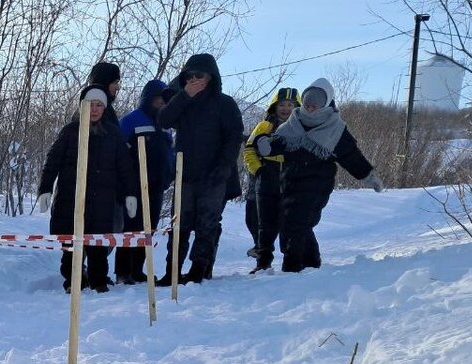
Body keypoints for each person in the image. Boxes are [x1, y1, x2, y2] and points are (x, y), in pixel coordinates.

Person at [254, 78, 383, 272]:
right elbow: (276, 143)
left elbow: (351, 156)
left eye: (316, 104)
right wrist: (264, 145)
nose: (311, 108)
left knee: (297, 223)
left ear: (325, 103)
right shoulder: (293, 122)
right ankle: (312, 263)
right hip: (290, 183)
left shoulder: (335, 128)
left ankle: (292, 267)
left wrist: (368, 176)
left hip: (318, 185)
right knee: (297, 224)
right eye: (308, 103)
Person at [37, 85, 139, 293]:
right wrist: (45, 189)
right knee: (71, 245)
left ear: (104, 108)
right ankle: (73, 281)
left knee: (98, 245)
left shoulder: (113, 134)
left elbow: (125, 167)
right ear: (83, 106)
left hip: (102, 201)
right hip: (70, 199)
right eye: (90, 104)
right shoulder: (69, 132)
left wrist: (131, 193)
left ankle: (98, 281)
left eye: (99, 105)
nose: (94, 109)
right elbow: (52, 161)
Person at [155, 54, 243, 285]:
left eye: (199, 75)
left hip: (214, 175)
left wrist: (222, 169)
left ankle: (199, 269)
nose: (194, 80)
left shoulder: (225, 103)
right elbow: (163, 120)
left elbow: (234, 138)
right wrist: (184, 95)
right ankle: (172, 271)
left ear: (211, 77)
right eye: (189, 76)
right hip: (186, 174)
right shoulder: (183, 101)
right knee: (179, 225)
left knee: (207, 224)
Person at [116, 79, 175, 285]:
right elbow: (118, 152)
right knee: (130, 228)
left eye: (164, 99)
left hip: (157, 185)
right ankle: (123, 271)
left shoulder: (165, 125)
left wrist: (170, 174)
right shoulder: (131, 120)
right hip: (133, 185)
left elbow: (169, 154)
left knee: (147, 229)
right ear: (149, 98)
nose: (162, 103)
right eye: (159, 98)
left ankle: (138, 270)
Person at [243, 87, 300, 272]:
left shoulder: (302, 127)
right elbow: (249, 150)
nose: (285, 109)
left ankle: (291, 263)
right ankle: (263, 263)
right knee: (264, 224)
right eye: (282, 105)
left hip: (291, 179)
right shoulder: (264, 127)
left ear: (296, 107)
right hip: (267, 177)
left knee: (290, 223)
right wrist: (258, 170)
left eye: (290, 105)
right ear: (275, 106)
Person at [87, 61, 123, 127]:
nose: (117, 87)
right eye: (115, 83)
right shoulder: (102, 111)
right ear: (104, 83)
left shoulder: (85, 107)